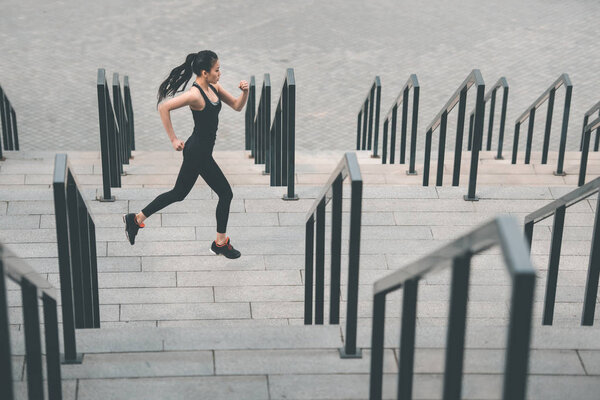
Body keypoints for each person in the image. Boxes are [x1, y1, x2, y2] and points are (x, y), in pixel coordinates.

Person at [123, 50, 248, 259]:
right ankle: (220, 243)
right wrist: (173, 139)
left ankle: (135, 219)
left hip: (201, 153)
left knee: (179, 194)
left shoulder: (214, 88)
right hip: (197, 153)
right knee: (224, 193)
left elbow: (236, 106)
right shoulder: (195, 95)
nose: (220, 73)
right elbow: (164, 108)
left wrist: (245, 93)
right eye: (217, 70)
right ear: (204, 72)